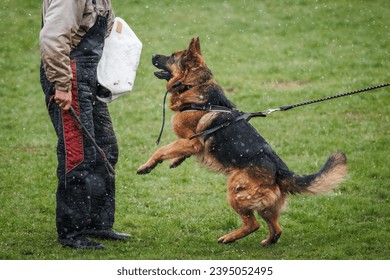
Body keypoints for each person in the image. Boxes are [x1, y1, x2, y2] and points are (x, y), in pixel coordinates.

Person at [39, 0, 129, 249]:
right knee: (78, 155)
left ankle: (97, 224)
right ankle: (72, 232)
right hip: (69, 76)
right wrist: (61, 84)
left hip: (89, 77)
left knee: (105, 149)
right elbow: (52, 38)